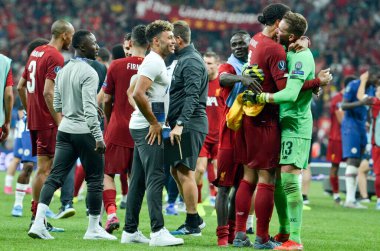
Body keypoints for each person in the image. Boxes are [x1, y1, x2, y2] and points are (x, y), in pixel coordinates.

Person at [247, 11, 331, 250]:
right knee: (278, 180)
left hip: (296, 124)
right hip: (283, 122)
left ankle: (296, 238)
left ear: (291, 35)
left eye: (281, 29)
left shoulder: (302, 57)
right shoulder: (290, 50)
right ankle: (284, 232)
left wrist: (260, 96)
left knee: (290, 181)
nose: (277, 31)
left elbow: (290, 94)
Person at [28, 30, 116, 241]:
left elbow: (57, 103)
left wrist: (68, 112)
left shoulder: (64, 68)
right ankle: (93, 229)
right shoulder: (90, 72)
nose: (97, 46)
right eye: (93, 43)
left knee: (55, 176)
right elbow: (89, 107)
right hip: (85, 132)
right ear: (82, 47)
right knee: (95, 179)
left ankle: (38, 223)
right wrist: (98, 136)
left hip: (65, 129)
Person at [122, 20, 183, 247]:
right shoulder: (154, 61)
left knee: (138, 180)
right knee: (156, 176)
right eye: (169, 38)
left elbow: (131, 91)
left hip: (141, 125)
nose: (173, 41)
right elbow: (137, 93)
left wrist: (147, 115)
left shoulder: (154, 61)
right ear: (156, 41)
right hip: (147, 129)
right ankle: (158, 232)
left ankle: (130, 231)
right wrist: (154, 122)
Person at [17, 20, 75, 230]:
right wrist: (59, 121)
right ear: (65, 35)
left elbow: (20, 87)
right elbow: (48, 92)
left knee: (45, 169)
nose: (72, 39)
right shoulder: (55, 56)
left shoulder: (36, 52)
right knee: (44, 170)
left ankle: (38, 218)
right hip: (48, 121)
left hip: (35, 119)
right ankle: (37, 219)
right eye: (71, 35)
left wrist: (30, 110)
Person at [214, 30, 262, 246]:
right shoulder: (229, 66)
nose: (237, 48)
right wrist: (243, 78)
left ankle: (235, 233)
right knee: (224, 188)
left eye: (241, 43)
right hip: (229, 134)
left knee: (241, 186)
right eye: (234, 45)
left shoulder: (257, 64)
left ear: (249, 44)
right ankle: (222, 236)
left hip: (250, 133)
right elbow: (222, 78)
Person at [102, 24, 147, 234]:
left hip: (118, 127)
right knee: (135, 177)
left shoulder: (116, 65)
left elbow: (106, 99)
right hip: (143, 129)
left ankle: (111, 213)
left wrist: (110, 119)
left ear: (130, 43)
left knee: (108, 173)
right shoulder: (153, 66)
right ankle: (132, 225)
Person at [167, 20, 208, 236]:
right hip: (182, 123)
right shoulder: (182, 59)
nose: (169, 43)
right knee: (176, 169)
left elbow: (193, 96)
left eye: (170, 38)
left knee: (184, 171)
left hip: (190, 123)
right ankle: (194, 218)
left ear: (179, 39)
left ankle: (193, 222)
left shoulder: (191, 61)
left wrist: (181, 123)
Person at [11, 38, 49, 217]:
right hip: (29, 124)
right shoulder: (30, 68)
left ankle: (41, 207)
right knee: (28, 165)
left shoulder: (40, 68)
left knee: (44, 167)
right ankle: (18, 204)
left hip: (39, 122)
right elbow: (20, 91)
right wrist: (29, 111)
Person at [340, 66, 379, 209]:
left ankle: (352, 199)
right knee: (353, 159)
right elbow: (343, 106)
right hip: (351, 126)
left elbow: (369, 107)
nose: (377, 81)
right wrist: (360, 103)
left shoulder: (371, 88)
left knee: (358, 161)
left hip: (362, 126)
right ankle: (350, 199)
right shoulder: (354, 85)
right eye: (376, 78)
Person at [194, 51, 221, 212]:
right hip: (203, 134)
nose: (206, 66)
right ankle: (195, 201)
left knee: (217, 168)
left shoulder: (223, 83)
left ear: (218, 65)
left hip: (219, 135)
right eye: (204, 62)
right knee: (200, 169)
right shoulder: (199, 82)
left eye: (210, 63)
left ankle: (214, 195)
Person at [326, 76, 356, 204]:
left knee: (354, 165)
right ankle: (336, 194)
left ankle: (352, 196)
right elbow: (342, 120)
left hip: (349, 138)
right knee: (335, 166)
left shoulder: (352, 99)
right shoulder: (338, 99)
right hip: (337, 139)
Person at [356, 69, 380, 210]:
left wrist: (363, 80)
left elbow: (360, 96)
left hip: (377, 144)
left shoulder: (376, 102)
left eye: (378, 91)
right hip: (375, 142)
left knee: (378, 173)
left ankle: (379, 200)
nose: (376, 92)